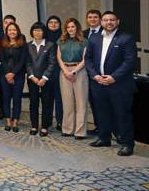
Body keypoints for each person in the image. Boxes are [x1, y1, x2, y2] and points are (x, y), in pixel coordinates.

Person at [85, 11, 136, 156]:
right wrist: (95, 75)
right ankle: (104, 138)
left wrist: (114, 77)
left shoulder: (126, 38)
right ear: (101, 22)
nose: (109, 22)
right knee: (102, 112)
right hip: (98, 83)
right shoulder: (94, 38)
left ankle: (127, 143)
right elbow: (88, 59)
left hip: (119, 85)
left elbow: (130, 62)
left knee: (122, 114)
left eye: (112, 20)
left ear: (117, 22)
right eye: (106, 20)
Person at [57, 18, 88, 139]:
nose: (70, 29)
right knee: (67, 102)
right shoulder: (61, 40)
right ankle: (68, 129)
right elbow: (58, 57)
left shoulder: (84, 41)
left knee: (81, 102)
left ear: (77, 28)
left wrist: (74, 71)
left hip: (79, 71)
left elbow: (85, 59)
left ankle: (80, 131)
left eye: (73, 27)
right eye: (68, 27)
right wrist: (66, 71)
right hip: (64, 72)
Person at [26, 22, 57, 137]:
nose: (37, 32)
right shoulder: (28, 45)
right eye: (35, 30)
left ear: (44, 32)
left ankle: (44, 126)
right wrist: (32, 76)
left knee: (46, 103)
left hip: (46, 80)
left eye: (39, 30)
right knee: (33, 102)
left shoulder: (50, 45)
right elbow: (27, 62)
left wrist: (44, 77)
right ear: (32, 32)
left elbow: (52, 62)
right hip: (32, 79)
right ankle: (34, 125)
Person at [0, 22, 28, 132]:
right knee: (6, 98)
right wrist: (7, 73)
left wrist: (13, 73)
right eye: (10, 30)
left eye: (14, 30)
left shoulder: (22, 44)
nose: (12, 32)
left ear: (18, 31)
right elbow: (2, 59)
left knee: (17, 99)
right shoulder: (3, 43)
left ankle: (15, 120)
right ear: (7, 32)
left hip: (18, 75)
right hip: (4, 75)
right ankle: (7, 120)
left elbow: (22, 61)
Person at [83, 9, 103, 135]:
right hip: (85, 73)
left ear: (100, 19)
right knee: (93, 101)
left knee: (104, 103)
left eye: (95, 17)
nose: (92, 19)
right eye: (90, 17)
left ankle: (114, 129)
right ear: (87, 19)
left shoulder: (105, 33)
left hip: (100, 73)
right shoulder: (83, 33)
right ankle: (98, 126)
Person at [46, 15, 63, 131]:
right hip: (46, 71)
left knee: (59, 98)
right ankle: (47, 121)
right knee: (47, 97)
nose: (53, 24)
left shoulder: (64, 37)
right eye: (51, 22)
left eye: (56, 22)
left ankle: (60, 121)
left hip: (60, 70)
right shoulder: (43, 37)